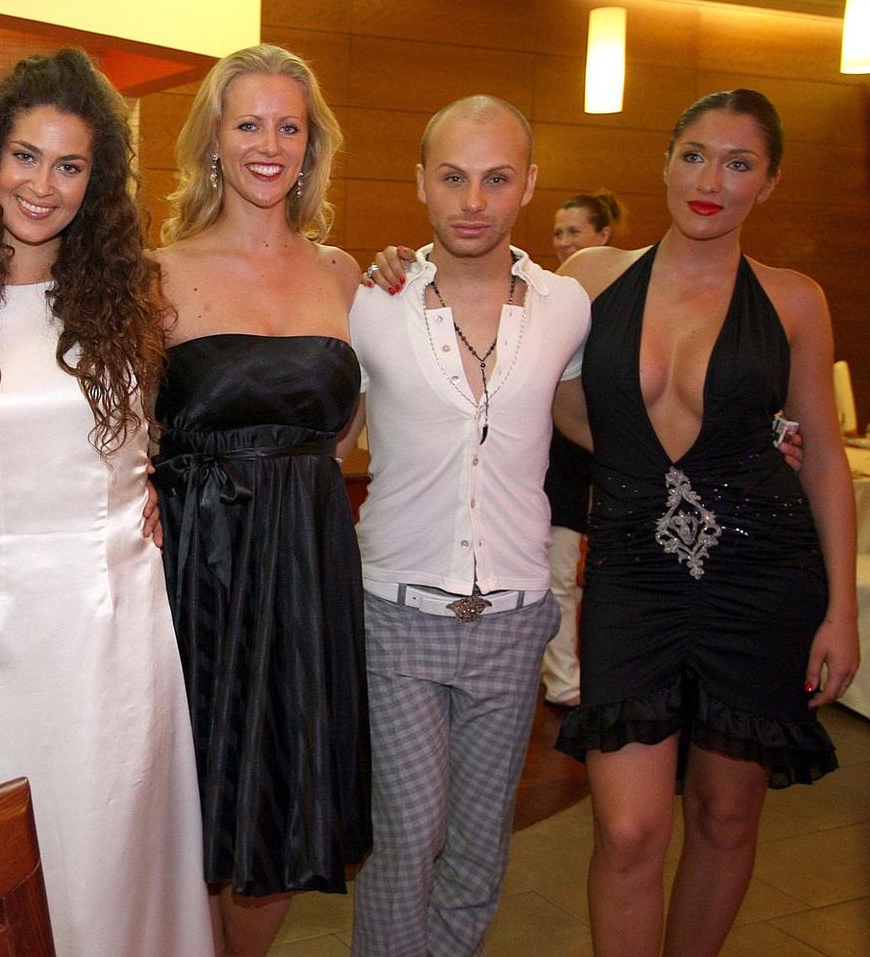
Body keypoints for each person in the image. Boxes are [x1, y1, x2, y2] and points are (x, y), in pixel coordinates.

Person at [0, 49, 214, 957]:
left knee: (108, 844)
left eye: (69, 165)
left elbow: (227, 401)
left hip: (112, 623)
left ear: (94, 182)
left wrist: (164, 488)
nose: (43, 185)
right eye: (26, 156)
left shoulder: (136, 297)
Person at [552, 89, 858, 957]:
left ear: (769, 182)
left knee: (726, 813)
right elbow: (540, 391)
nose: (710, 181)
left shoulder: (794, 300)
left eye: (738, 164)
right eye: (693, 155)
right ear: (665, 161)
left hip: (762, 573)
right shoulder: (591, 278)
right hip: (633, 573)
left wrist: (842, 610)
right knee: (629, 829)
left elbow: (824, 458)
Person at [348, 96, 589, 957]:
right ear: (421, 182)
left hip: (515, 617)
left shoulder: (567, 305)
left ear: (529, 183)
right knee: (408, 837)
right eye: (453, 177)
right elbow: (324, 434)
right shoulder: (371, 301)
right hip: (398, 612)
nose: (474, 201)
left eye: (496, 178)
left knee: (479, 849)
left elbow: (592, 421)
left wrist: (747, 438)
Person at [149, 43, 371, 957]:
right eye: (248, 124)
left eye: (289, 126)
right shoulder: (154, 272)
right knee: (192, 804)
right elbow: (117, 431)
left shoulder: (345, 272)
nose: (268, 145)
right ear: (213, 139)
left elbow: (344, 434)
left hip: (309, 571)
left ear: (312, 145)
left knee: (284, 797)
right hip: (196, 571)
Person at [541, 191, 624, 707]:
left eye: (575, 231)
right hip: (557, 456)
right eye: (558, 232)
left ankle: (599, 676)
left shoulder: (623, 301)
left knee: (601, 576)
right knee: (557, 572)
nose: (564, 241)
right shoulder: (547, 295)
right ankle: (562, 680)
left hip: (607, 452)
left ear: (603, 236)